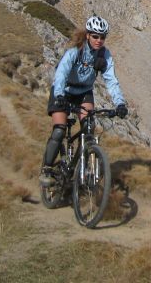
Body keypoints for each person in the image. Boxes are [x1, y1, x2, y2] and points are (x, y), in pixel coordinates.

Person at [39, 15, 128, 186]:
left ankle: (81, 168)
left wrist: (120, 103)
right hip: (63, 91)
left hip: (84, 93)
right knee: (59, 130)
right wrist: (59, 96)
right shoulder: (75, 51)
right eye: (95, 36)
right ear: (88, 35)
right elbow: (61, 75)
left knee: (89, 129)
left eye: (102, 37)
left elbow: (111, 80)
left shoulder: (104, 55)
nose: (99, 40)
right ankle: (47, 169)